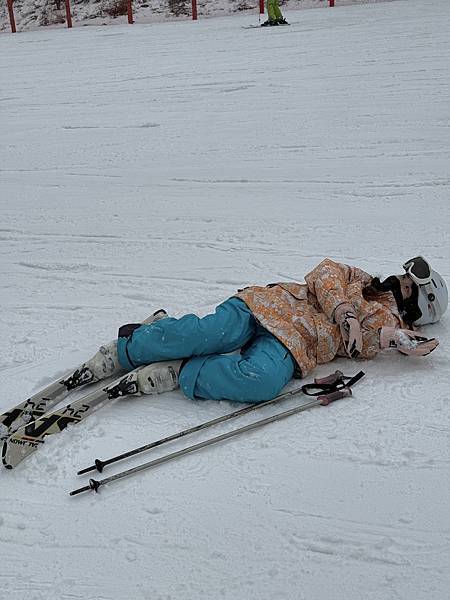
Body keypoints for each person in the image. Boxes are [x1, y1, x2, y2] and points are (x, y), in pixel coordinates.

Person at [86, 256, 447, 404]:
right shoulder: (362, 280)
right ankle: (127, 349)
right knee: (209, 334)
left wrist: (392, 339)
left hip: (296, 345)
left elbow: (359, 346)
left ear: (416, 305)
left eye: (405, 283)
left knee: (260, 381)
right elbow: (324, 273)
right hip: (270, 306)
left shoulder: (389, 326)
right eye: (403, 274)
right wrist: (343, 310)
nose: (398, 278)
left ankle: (181, 370)